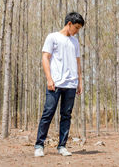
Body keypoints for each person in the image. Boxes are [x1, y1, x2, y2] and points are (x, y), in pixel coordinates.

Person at [34, 12, 85, 157]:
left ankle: (62, 146)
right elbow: (45, 57)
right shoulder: (53, 37)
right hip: (55, 83)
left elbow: (77, 62)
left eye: (79, 29)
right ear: (69, 24)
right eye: (76, 27)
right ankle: (39, 145)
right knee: (48, 113)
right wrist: (49, 78)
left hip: (71, 84)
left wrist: (79, 81)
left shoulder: (75, 42)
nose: (77, 31)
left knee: (66, 115)